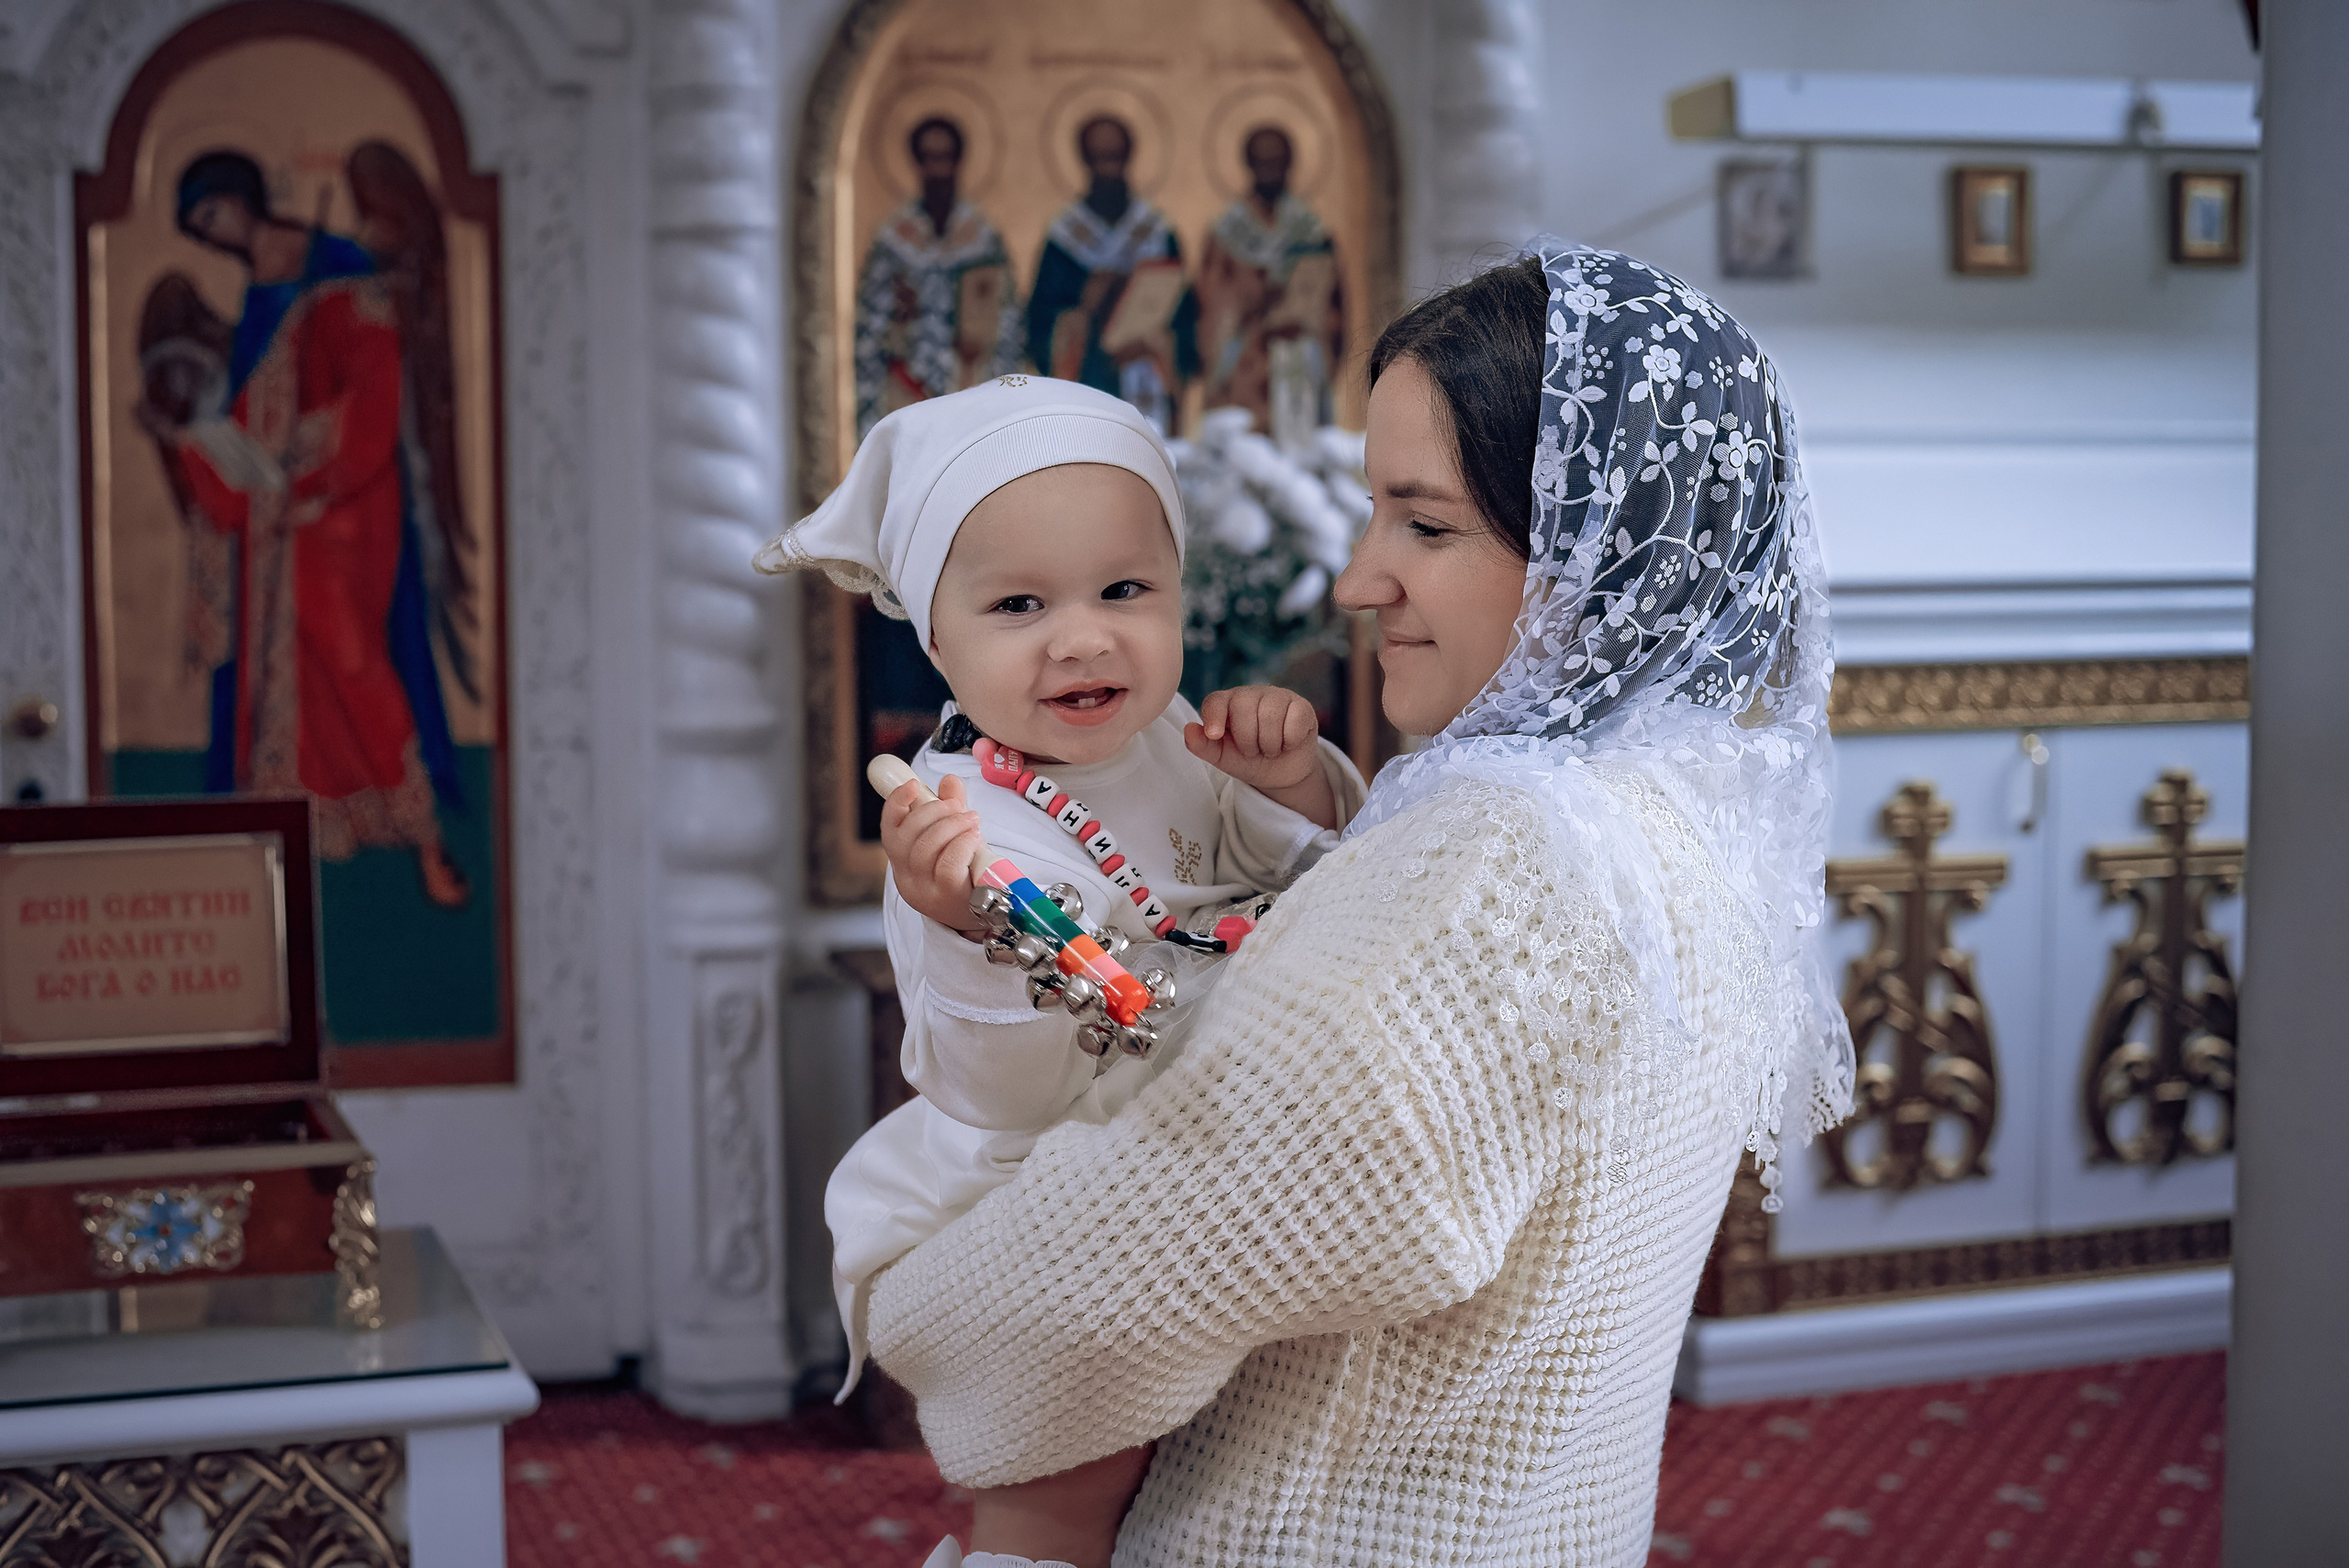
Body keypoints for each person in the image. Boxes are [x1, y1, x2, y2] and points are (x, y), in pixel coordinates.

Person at [864, 243, 1854, 1568]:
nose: (1358, 578)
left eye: (1426, 523)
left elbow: (1127, 1262)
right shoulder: (1687, 812)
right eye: (1373, 511)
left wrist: (916, 1307)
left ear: (1594, 547)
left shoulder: (1501, 865)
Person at [750, 375, 1367, 1412]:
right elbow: (1011, 1089)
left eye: (1125, 591)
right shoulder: (960, 826)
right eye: (1020, 605)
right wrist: (957, 922)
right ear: (936, 640)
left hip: (1222, 1110)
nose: (1081, 639)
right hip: (1058, 1157)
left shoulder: (1176, 729)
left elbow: (1325, 870)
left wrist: (1289, 776)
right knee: (1077, 1452)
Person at [148, 149, 470, 906]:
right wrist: (190, 435)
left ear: (241, 196)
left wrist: (310, 470)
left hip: (343, 512)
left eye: (212, 214)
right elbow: (249, 403)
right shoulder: (262, 289)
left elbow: (372, 392)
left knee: (353, 656)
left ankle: (423, 839)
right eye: (198, 228)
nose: (211, 235)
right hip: (278, 518)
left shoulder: (341, 270)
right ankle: (298, 834)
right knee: (274, 671)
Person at [1025, 117, 1200, 435]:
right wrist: (1084, 304)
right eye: (1101, 158)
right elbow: (1040, 321)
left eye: (1116, 157)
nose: (1110, 168)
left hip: (1145, 369)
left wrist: (1157, 343)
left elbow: (1185, 318)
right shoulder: (1065, 240)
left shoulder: (1156, 233)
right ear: (1086, 161)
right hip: (1089, 375)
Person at [853, 117, 1025, 438]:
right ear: (917, 163)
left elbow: (1009, 320)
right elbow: (869, 330)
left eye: (945, 158)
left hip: (973, 386)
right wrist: (899, 323)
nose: (938, 170)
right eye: (929, 159)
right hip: (906, 391)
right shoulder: (893, 241)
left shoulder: (983, 238)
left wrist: (991, 356)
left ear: (958, 161)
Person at [1195, 126, 1344, 449]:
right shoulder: (1227, 234)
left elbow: (1334, 310)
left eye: (1277, 162)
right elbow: (1210, 307)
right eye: (1263, 163)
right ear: (1249, 166)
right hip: (1245, 369)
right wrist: (1250, 300)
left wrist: (1309, 323)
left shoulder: (1312, 232)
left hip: (1297, 359)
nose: (1270, 171)